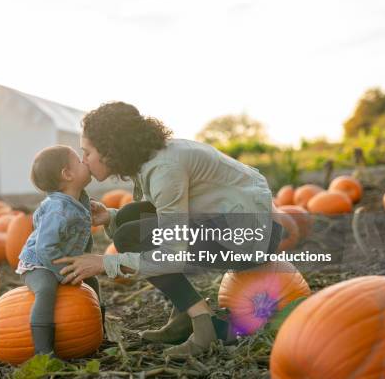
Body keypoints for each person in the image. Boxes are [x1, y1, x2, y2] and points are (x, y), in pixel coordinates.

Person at [54, 102, 283, 357]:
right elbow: (160, 213)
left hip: (249, 239)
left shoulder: (164, 169)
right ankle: (184, 316)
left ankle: (204, 325)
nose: (84, 160)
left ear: (109, 151)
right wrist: (109, 216)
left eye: (87, 153)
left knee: (131, 236)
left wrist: (104, 262)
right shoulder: (152, 160)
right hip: (234, 223)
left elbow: (172, 254)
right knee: (130, 217)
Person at [17, 145, 102, 358]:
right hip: (39, 263)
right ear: (67, 174)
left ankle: (100, 329)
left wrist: (83, 263)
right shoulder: (58, 210)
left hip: (63, 259)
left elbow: (81, 234)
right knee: (46, 289)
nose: (85, 161)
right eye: (79, 160)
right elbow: (44, 248)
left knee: (92, 282)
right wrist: (63, 272)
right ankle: (43, 352)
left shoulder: (78, 199)